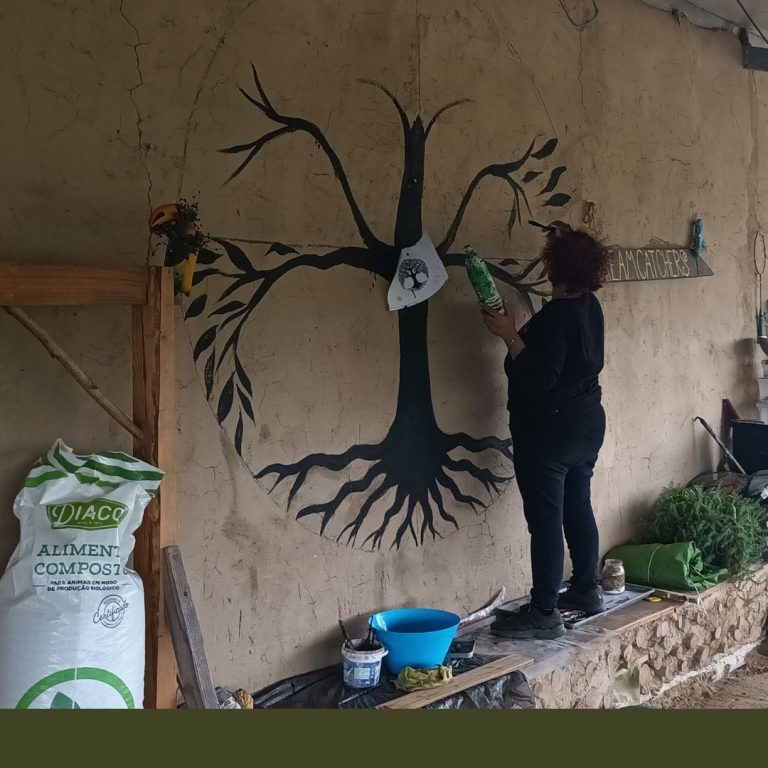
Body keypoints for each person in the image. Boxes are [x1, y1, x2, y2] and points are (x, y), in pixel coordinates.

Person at [480, 227, 610, 639]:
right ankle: (587, 589)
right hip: (587, 424)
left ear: (555, 268)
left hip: (550, 434)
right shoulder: (591, 307)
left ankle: (544, 612)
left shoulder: (556, 319)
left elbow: (538, 378)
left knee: (546, 521)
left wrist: (509, 335)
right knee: (578, 504)